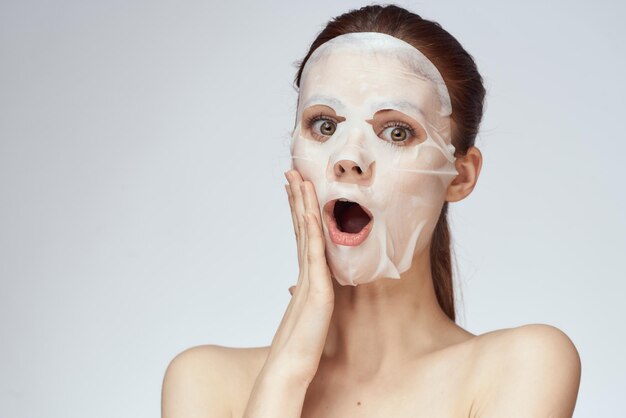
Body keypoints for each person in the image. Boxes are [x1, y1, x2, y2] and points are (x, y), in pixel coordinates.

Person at [161, 5, 581, 417]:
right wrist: (287, 369)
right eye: (325, 125)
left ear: (460, 176)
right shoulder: (204, 380)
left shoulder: (521, 366)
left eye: (397, 132)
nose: (348, 157)